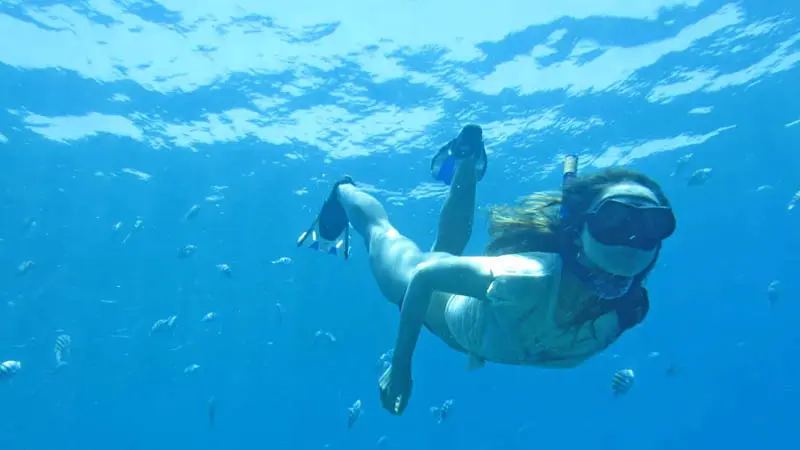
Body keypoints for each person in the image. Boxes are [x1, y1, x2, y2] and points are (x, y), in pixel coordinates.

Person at [296, 124, 676, 416]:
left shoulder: (629, 309)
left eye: (653, 225)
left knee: (448, 245)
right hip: (433, 299)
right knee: (384, 237)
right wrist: (400, 367)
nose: (631, 235)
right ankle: (342, 191)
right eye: (615, 218)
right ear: (579, 232)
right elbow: (425, 279)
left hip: (471, 308)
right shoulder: (526, 278)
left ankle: (465, 157)